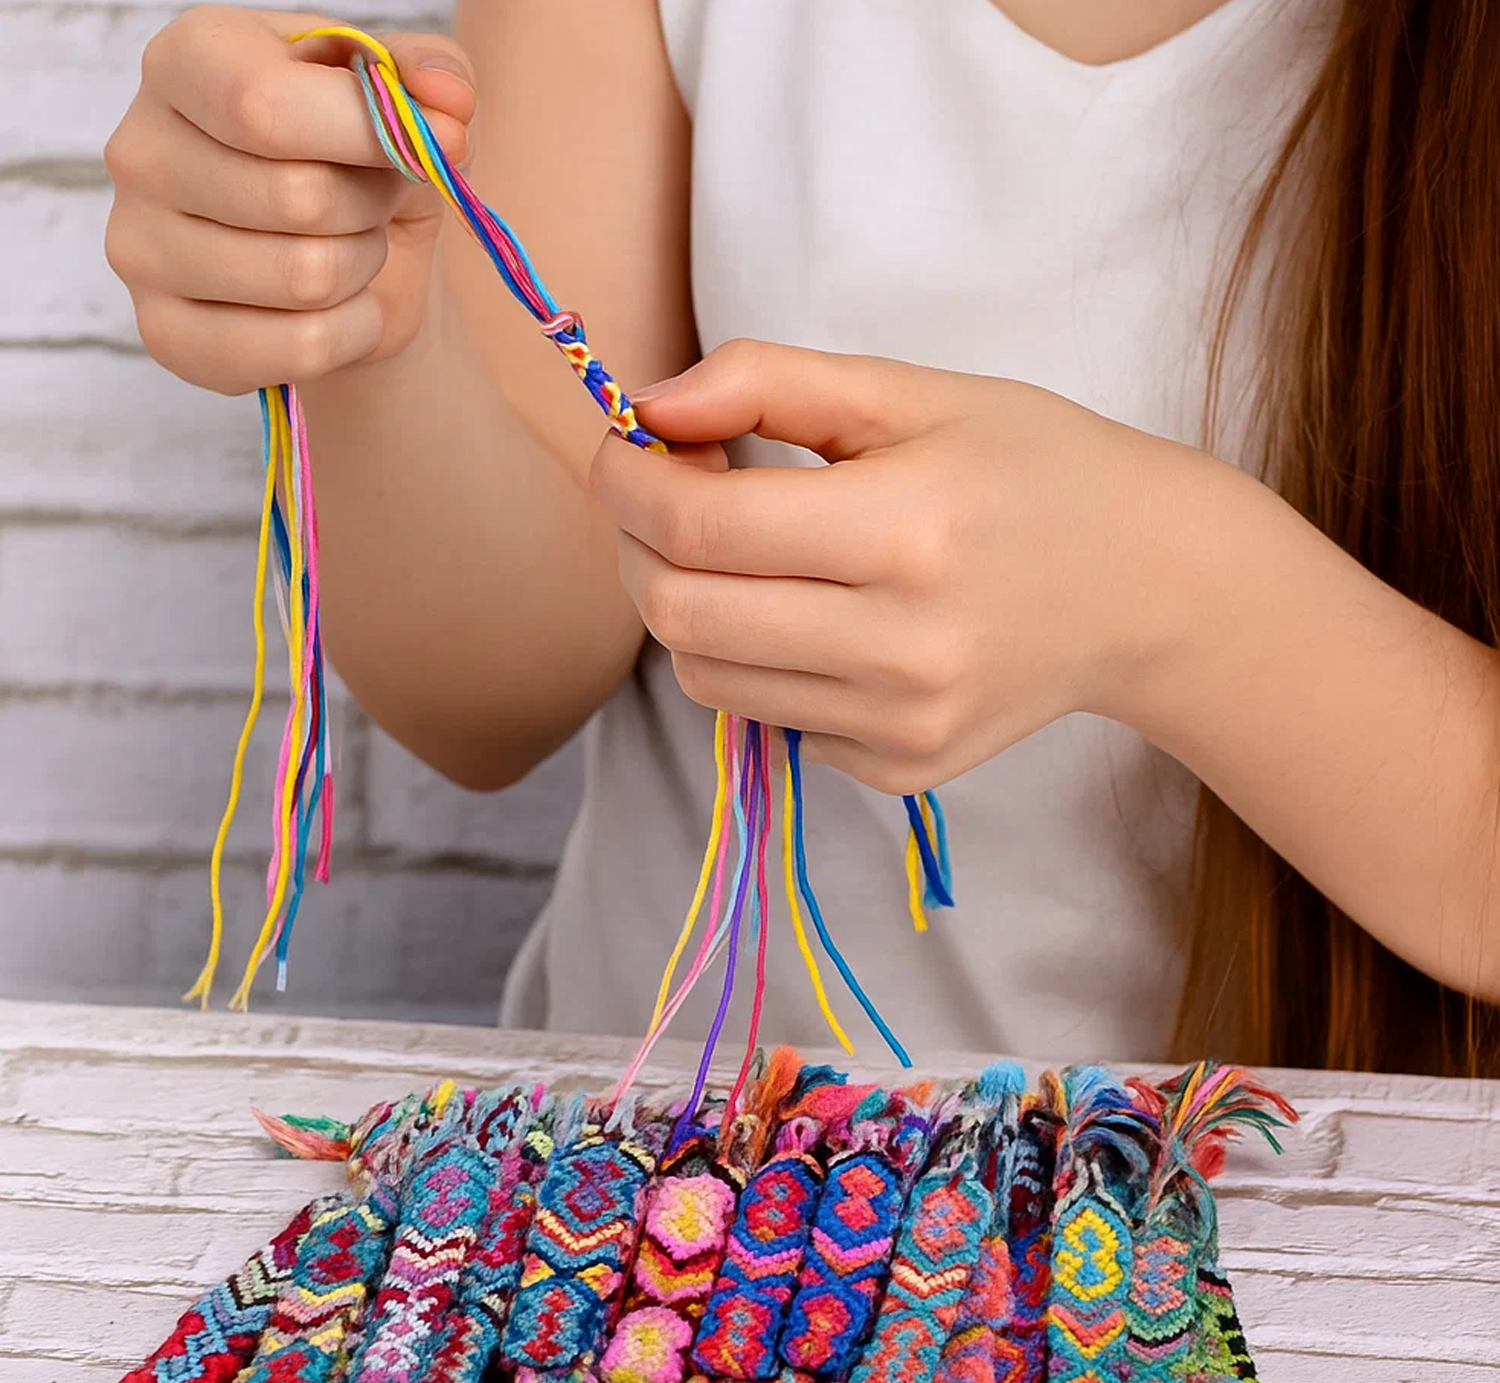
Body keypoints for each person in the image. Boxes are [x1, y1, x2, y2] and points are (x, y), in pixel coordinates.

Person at [103, 1, 1500, 1076]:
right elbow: (488, 698)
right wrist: (371, 327)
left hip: (1313, 1247)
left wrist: (1166, 598)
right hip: (671, 1200)